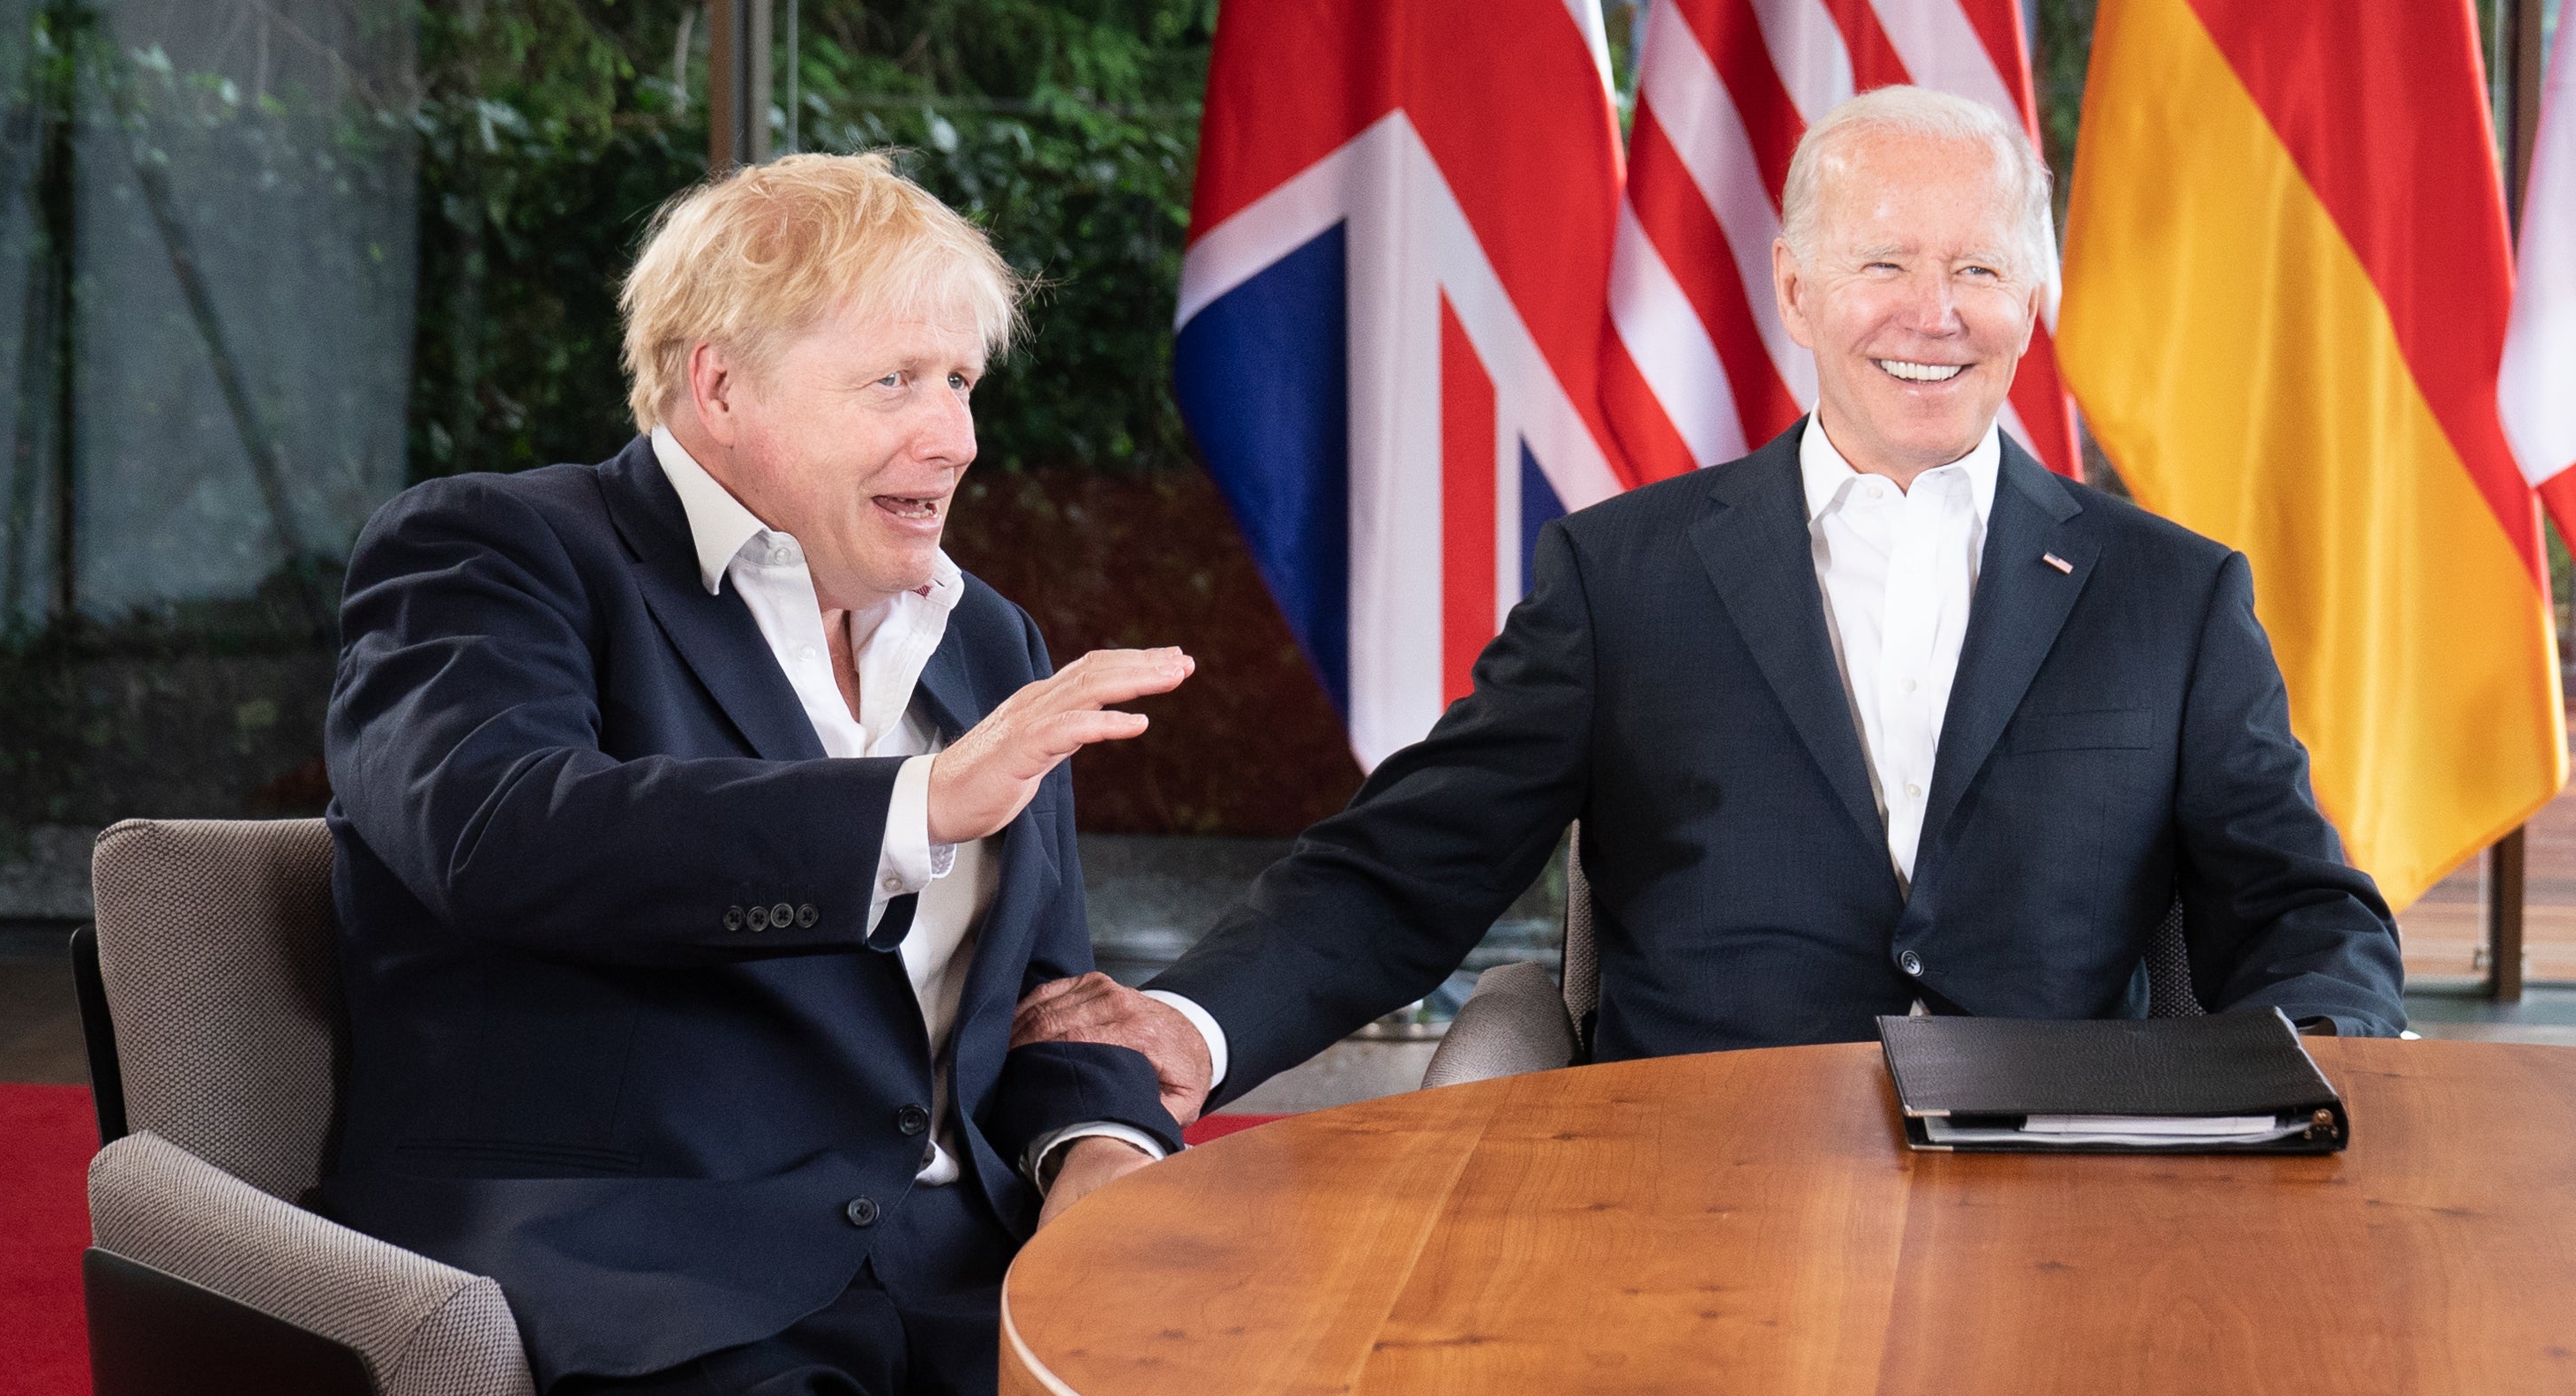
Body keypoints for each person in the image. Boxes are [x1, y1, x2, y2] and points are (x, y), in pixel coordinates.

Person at [318, 152, 1439, 1396]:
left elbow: (1044, 987)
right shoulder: (495, 553)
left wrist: (1097, 1148)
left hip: (964, 1277)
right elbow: (500, 833)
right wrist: (913, 805)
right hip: (651, 1280)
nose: (956, 437)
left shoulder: (982, 638)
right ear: (718, 385)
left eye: (964, 380)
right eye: (896, 381)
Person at [1011, 86, 2405, 1130]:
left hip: (2057, 1189)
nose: (1934, 312)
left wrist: (2330, 1071)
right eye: (1883, 264)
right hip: (1688, 1175)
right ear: (1795, 289)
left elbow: (2292, 900)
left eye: (1977, 268)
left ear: (2030, 301)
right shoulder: (1625, 576)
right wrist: (1192, 1022)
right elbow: (1413, 858)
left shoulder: (2172, 590)